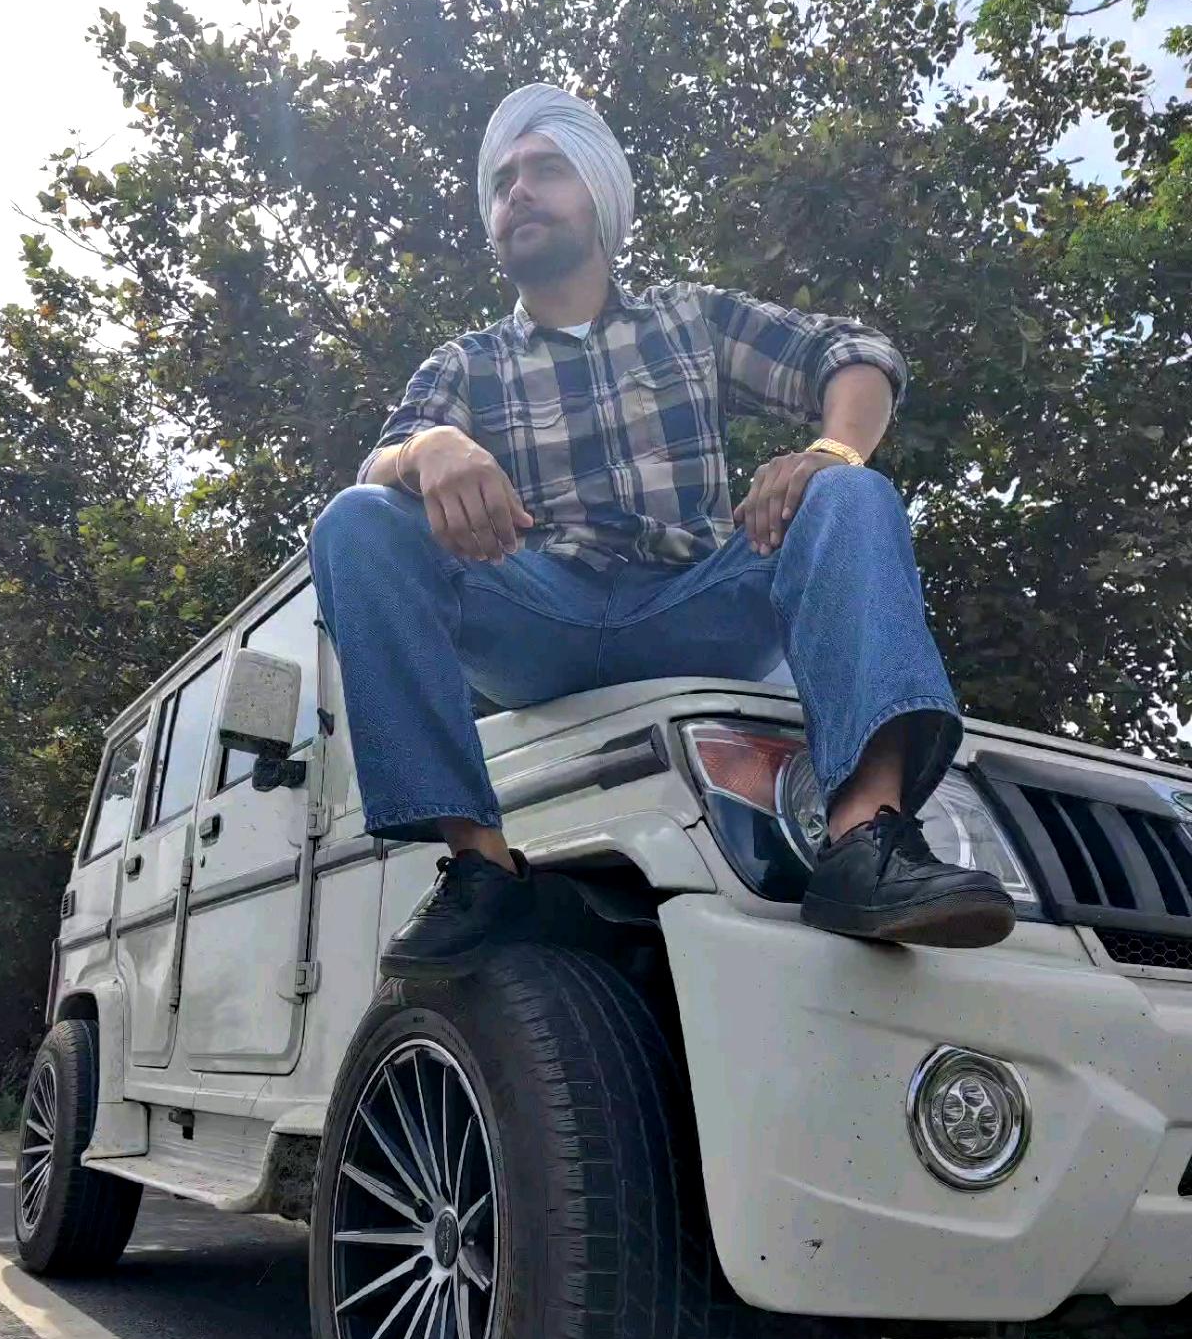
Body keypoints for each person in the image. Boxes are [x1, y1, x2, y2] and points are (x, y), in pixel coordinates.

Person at [310, 81, 1015, 978]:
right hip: (542, 616)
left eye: (545, 169)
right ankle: (480, 866)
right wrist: (430, 447)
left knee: (850, 490)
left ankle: (867, 840)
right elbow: (378, 468)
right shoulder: (467, 363)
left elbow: (855, 355)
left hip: (696, 601)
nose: (517, 191)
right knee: (357, 521)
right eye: (501, 182)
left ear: (600, 196)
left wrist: (830, 448)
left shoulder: (691, 319)